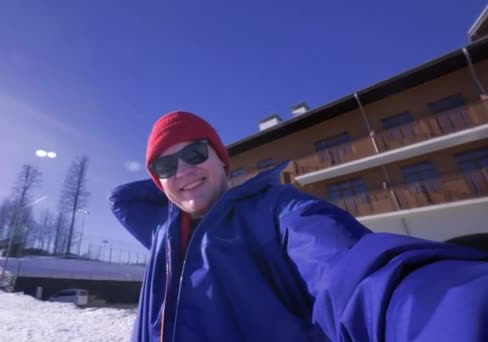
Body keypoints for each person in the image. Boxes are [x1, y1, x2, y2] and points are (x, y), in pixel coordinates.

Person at [110, 111, 488, 342]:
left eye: (194, 154)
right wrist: (178, 183)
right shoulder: (166, 234)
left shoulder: (277, 212)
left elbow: (351, 272)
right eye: (165, 166)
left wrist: (456, 315)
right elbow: (121, 200)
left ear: (224, 160)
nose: (183, 170)